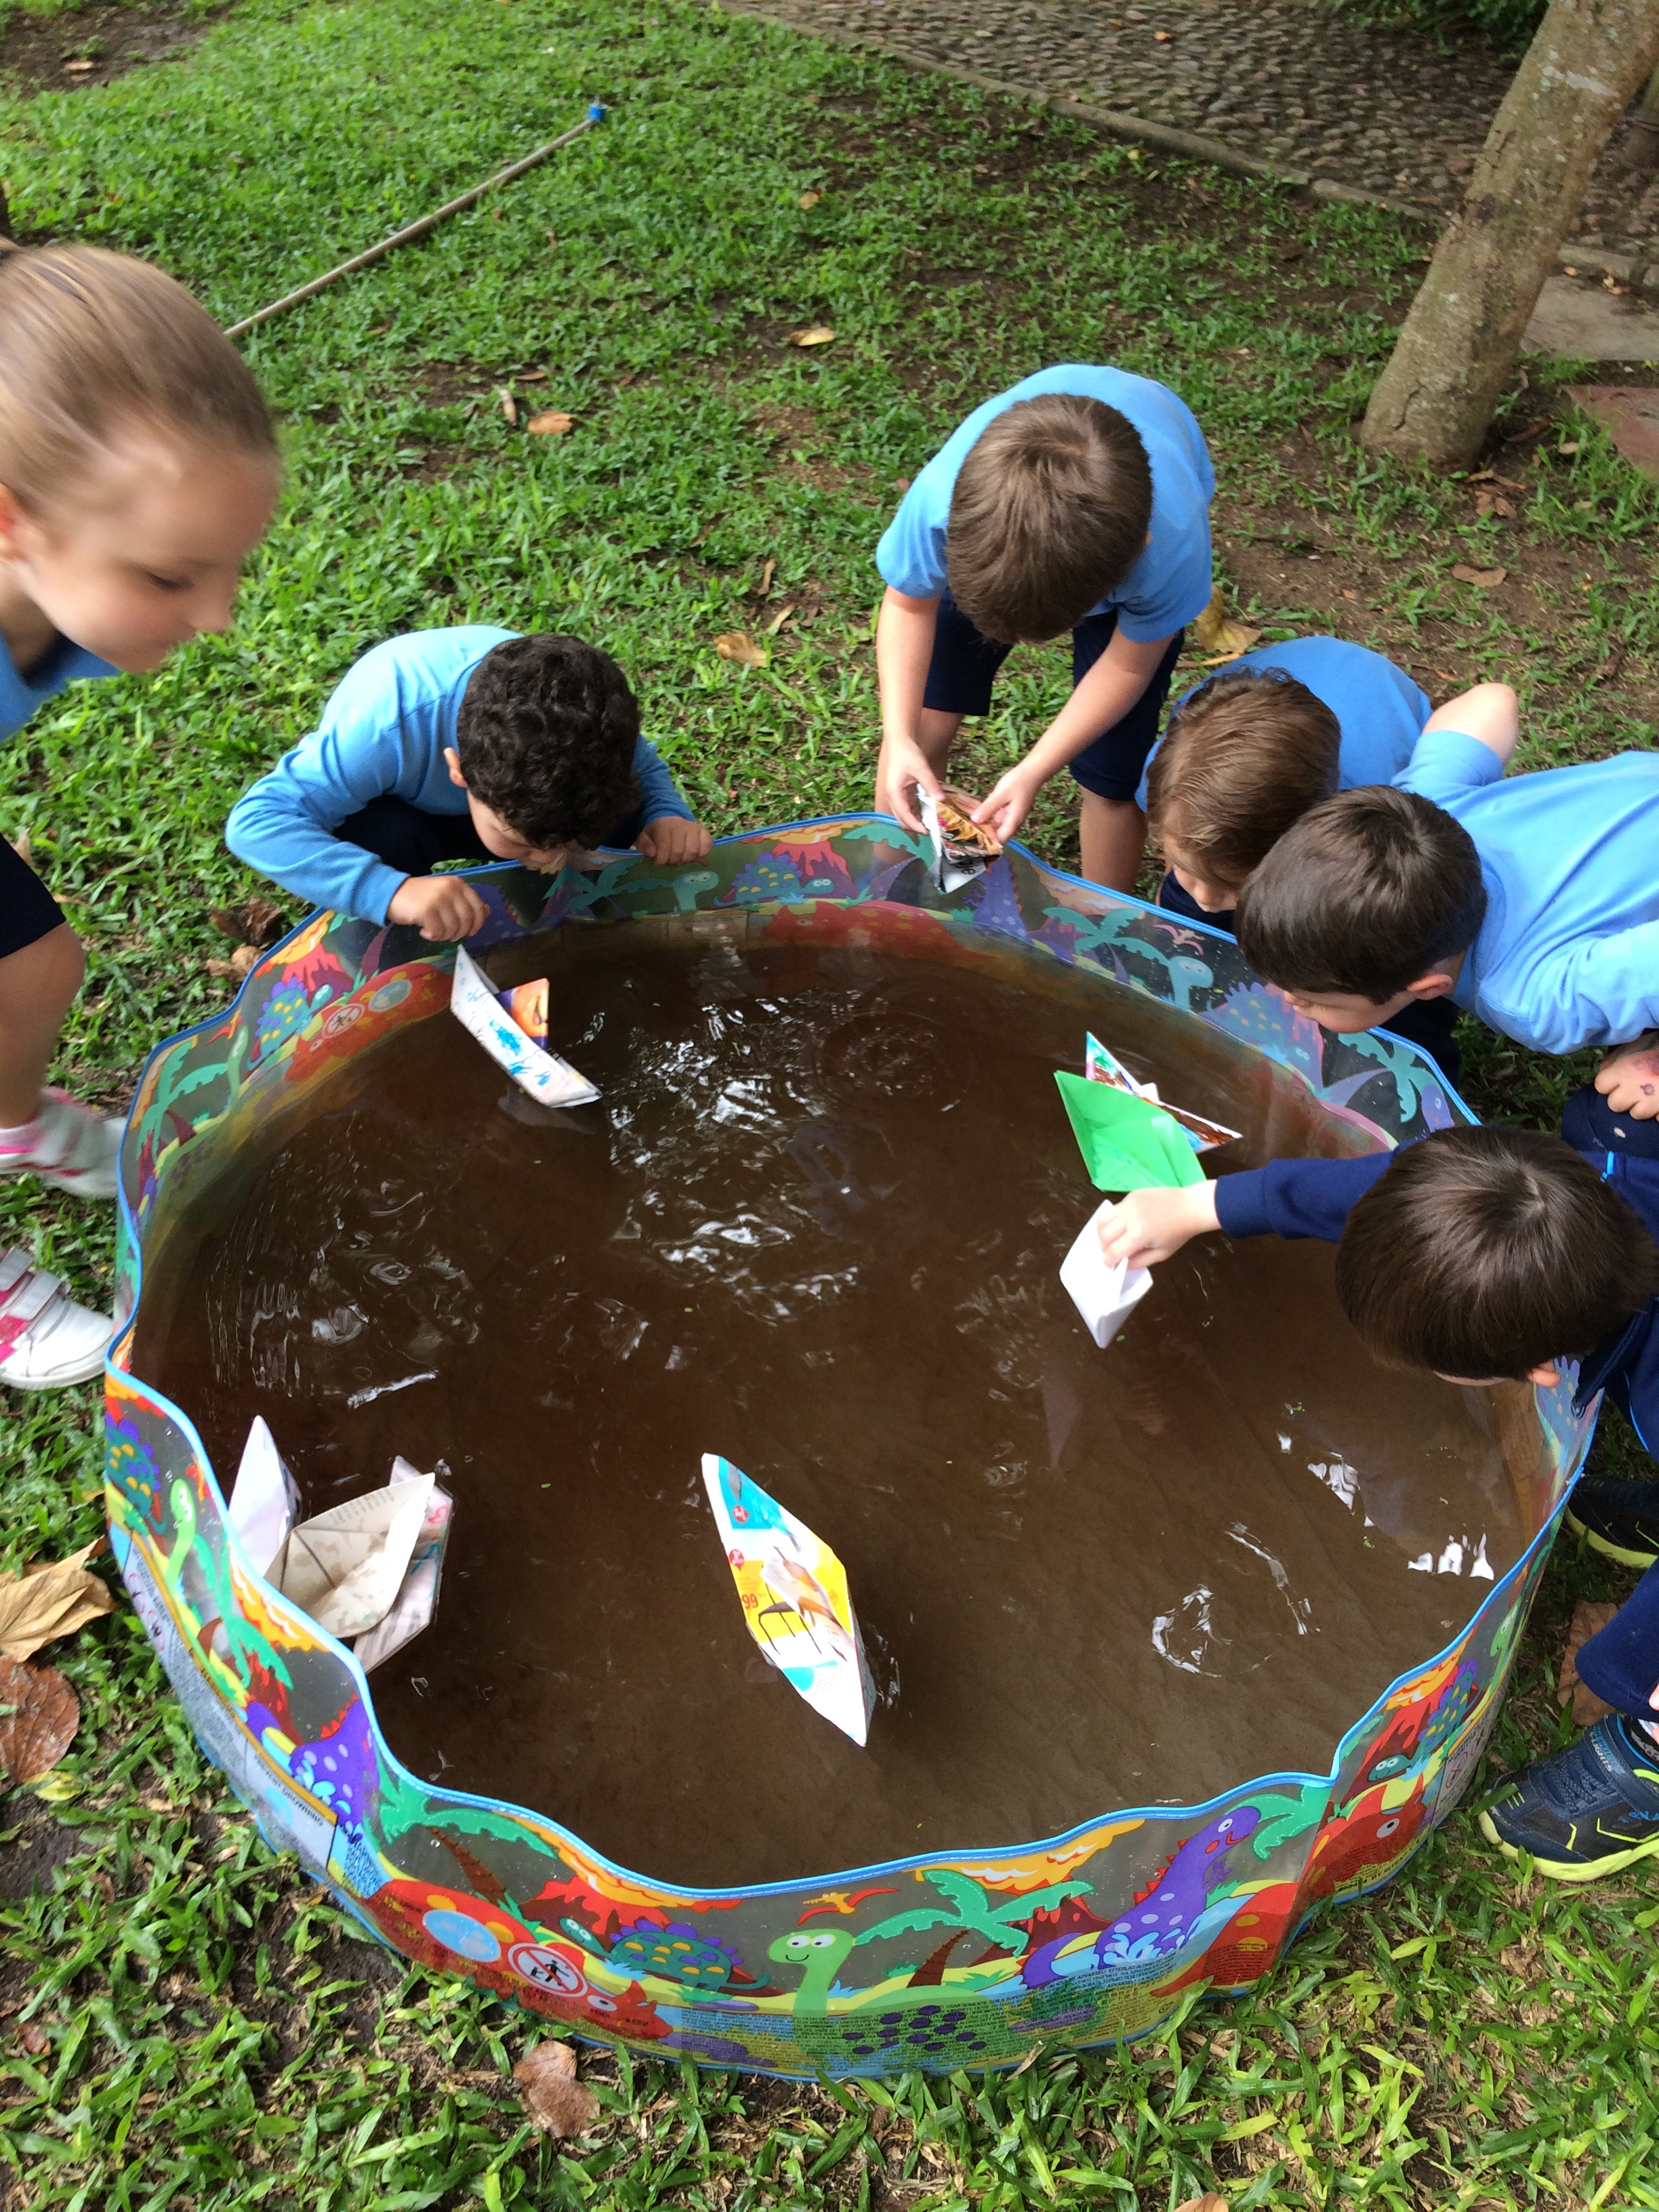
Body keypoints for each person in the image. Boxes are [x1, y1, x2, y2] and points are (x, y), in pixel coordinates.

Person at [1092, 1074, 1659, 1882]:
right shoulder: (1580, 1171)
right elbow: (1383, 1191)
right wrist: (1197, 1207)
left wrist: (1626, 1670)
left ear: (1538, 1371)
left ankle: (1647, 1758)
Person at [0, 242, 279, 1388]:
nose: (214, 616)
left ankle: (12, 1117)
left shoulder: (52, 595)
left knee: (34, 964)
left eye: (231, 571)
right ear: (11, 521)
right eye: (173, 578)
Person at [872, 365, 1214, 893]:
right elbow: (909, 608)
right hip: (998, 527)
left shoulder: (1171, 550)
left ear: (1137, 552)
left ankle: (1103, 929)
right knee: (919, 726)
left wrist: (1034, 769)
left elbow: (1128, 663)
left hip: (1147, 478)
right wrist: (898, 737)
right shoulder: (943, 504)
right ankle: (885, 885)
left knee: (1111, 776)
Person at [1140, 640, 1515, 1085]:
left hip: (1372, 840)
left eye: (1235, 886)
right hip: (1283, 728)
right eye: (1185, 864)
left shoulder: (1371, 847)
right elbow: (1199, 874)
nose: (1205, 899)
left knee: (1374, 973)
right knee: (1190, 910)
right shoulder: (1179, 783)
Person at [1233, 731, 1659, 1105]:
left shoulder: (1538, 998)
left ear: (1429, 987)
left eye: (1319, 1000)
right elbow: (1492, 702)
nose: (1288, 999)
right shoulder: (1426, 807)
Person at [226, 628, 711, 939]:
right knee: (370, 836)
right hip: (408, 806)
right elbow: (257, 822)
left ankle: (587, 910)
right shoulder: (382, 730)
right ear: (457, 770)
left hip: (506, 803)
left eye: (568, 844)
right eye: (526, 844)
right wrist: (391, 891)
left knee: (622, 809)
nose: (552, 858)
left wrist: (666, 813)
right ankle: (397, 935)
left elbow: (642, 767)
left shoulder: (588, 720)